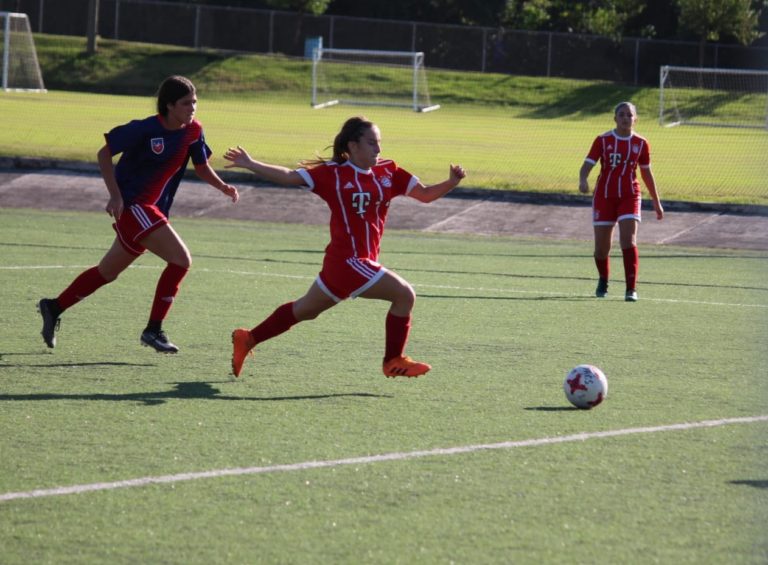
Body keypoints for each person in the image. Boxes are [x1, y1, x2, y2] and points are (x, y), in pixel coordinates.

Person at [225, 116, 466, 378]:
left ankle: (248, 338)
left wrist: (450, 182)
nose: (378, 149)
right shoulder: (333, 174)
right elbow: (289, 176)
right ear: (352, 146)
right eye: (371, 142)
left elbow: (425, 194)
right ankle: (392, 360)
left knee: (305, 310)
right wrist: (250, 164)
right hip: (348, 261)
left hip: (348, 263)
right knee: (405, 295)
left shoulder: (389, 171)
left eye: (379, 142)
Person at [38, 75, 239, 353]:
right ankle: (153, 330)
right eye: (186, 103)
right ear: (169, 105)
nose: (192, 108)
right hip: (134, 207)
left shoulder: (193, 130)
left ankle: (53, 306)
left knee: (106, 272)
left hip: (149, 211)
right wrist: (115, 195)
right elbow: (103, 154)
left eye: (195, 102)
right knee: (181, 261)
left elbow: (201, 166)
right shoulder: (145, 129)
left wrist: (223, 186)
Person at [578, 101, 663, 302]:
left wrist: (656, 202)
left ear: (635, 119)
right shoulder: (603, 140)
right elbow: (587, 165)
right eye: (622, 115)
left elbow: (646, 173)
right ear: (615, 118)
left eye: (629, 115)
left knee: (628, 240)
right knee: (601, 249)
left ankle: (630, 288)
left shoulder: (641, 143)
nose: (626, 118)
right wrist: (583, 179)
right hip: (604, 197)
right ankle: (603, 279)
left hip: (630, 195)